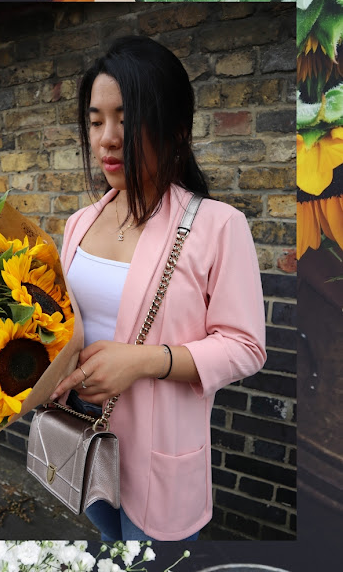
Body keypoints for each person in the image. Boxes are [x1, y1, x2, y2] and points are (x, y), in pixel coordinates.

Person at [50, 36, 266, 541]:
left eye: (126, 118)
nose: (107, 137)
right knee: (106, 540)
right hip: (83, 434)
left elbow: (246, 346)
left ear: (177, 129)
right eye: (96, 119)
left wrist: (142, 361)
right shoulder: (80, 223)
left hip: (158, 456)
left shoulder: (217, 226)